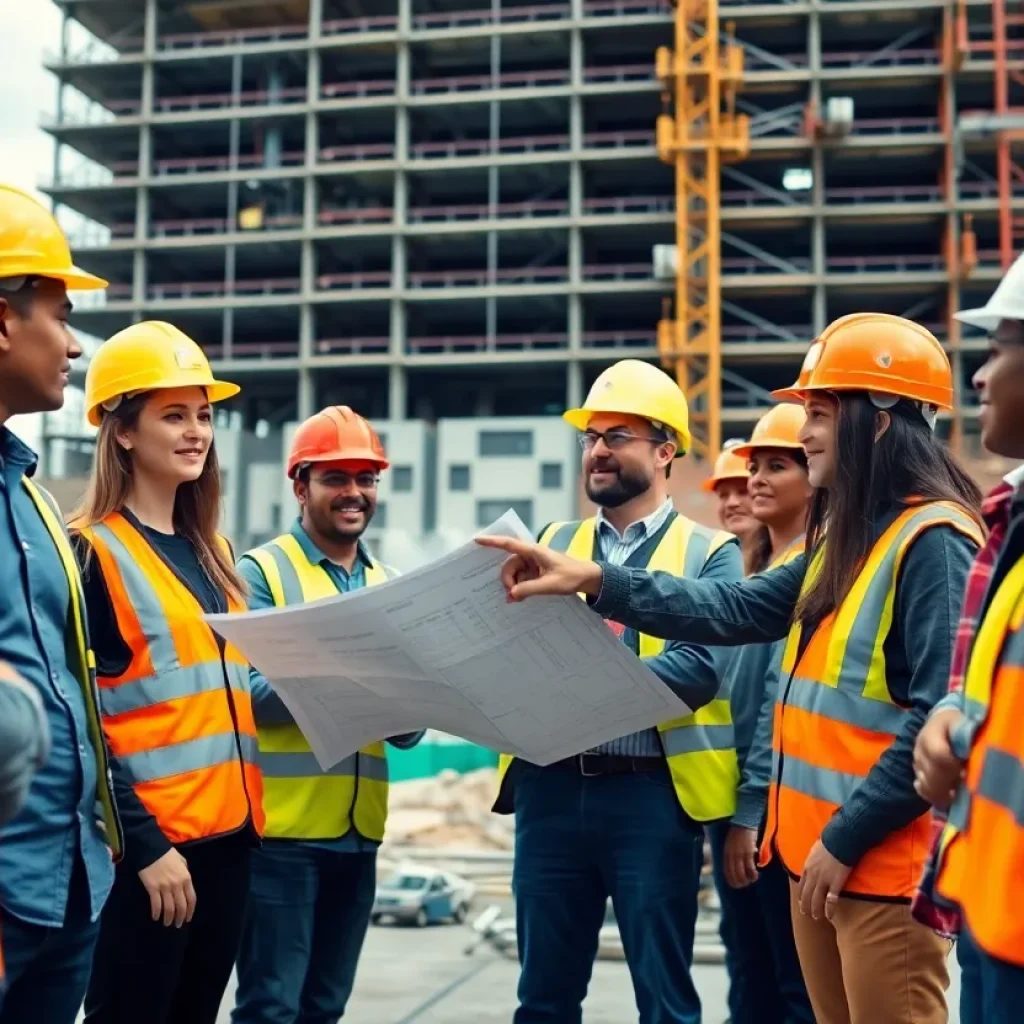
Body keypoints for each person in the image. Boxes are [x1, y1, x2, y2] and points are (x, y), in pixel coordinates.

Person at [479, 316, 986, 1024]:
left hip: (874, 863)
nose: (800, 432)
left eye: (816, 414)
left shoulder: (932, 541)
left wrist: (843, 838)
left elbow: (941, 714)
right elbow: (734, 609)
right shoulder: (853, 537)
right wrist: (595, 577)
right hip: (821, 862)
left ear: (875, 424)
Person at [491, 359, 744, 1024]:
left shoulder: (711, 555)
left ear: (665, 452)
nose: (598, 450)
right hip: (548, 791)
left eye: (617, 436)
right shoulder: (551, 543)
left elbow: (698, 669)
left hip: (652, 798)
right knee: (542, 999)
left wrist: (582, 688)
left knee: (664, 999)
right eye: (591, 437)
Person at [71, 321, 264, 1024]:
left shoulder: (215, 553)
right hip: (150, 860)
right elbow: (80, 723)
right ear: (123, 431)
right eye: (173, 415)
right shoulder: (90, 555)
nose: (196, 432)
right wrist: (146, 846)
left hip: (230, 846)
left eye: (205, 416)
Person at [232, 406, 423, 1024]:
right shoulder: (260, 575)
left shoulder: (390, 585)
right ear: (300, 486)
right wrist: (349, 668)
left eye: (365, 479)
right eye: (335, 477)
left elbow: (409, 730)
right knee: (271, 1008)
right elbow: (245, 697)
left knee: (325, 1009)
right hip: (281, 838)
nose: (354, 493)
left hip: (358, 834)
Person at [0, 183, 123, 1024]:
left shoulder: (38, 501)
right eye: (59, 313)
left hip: (72, 877)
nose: (74, 345)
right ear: (4, 319)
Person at [913, 253, 1024, 1021]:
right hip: (989, 904)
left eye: (998, 350)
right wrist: (956, 717)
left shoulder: (938, 537)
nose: (978, 378)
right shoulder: (1010, 523)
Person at [705, 405, 814, 1024]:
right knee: (748, 966)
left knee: (788, 978)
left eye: (777, 466)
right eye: (755, 468)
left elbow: (779, 698)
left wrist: (750, 811)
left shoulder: (807, 573)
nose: (755, 483)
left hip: (773, 809)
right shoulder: (756, 571)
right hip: (735, 803)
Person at [701, 445, 760, 573]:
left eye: (743, 492)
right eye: (723, 495)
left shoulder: (789, 559)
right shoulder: (709, 562)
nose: (731, 503)